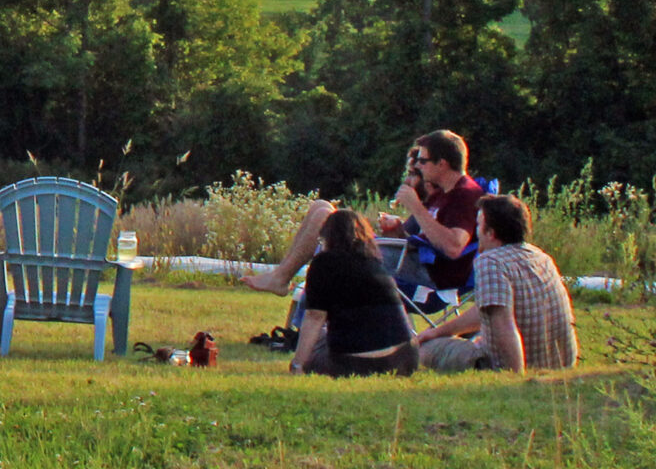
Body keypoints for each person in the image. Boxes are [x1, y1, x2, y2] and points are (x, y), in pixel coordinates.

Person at [243, 130, 485, 309]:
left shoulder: (465, 195)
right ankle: (282, 278)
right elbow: (427, 239)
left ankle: (286, 287)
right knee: (321, 207)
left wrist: (416, 207)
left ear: (442, 164)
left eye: (422, 161)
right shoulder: (444, 194)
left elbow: (453, 247)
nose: (418, 167)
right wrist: (398, 233)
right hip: (408, 260)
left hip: (429, 279)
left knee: (329, 222)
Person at [415, 195, 577, 374]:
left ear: (490, 233)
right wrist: (439, 331)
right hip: (558, 363)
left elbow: (503, 322)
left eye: (478, 226)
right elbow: (486, 310)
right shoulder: (541, 257)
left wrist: (515, 374)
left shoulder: (490, 262)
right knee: (457, 335)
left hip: (511, 363)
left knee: (424, 349)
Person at [289, 208, 418, 378]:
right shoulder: (374, 262)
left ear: (327, 236)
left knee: (317, 341)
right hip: (403, 359)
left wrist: (298, 364)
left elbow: (315, 317)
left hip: (355, 363)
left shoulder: (323, 263)